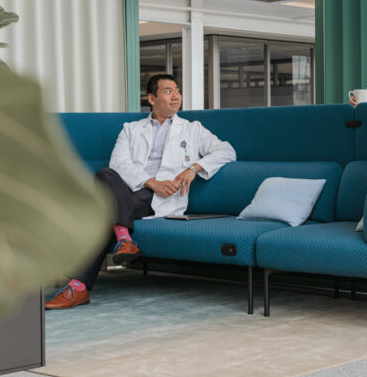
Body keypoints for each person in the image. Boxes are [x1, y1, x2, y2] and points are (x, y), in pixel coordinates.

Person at [45, 74, 236, 309]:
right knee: (105, 174)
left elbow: (226, 151)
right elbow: (119, 164)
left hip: (160, 199)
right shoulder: (131, 129)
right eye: (168, 91)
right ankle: (122, 239)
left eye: (177, 90)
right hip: (134, 190)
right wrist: (151, 181)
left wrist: (194, 168)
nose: (176, 96)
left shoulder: (193, 129)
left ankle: (79, 285)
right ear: (152, 99)